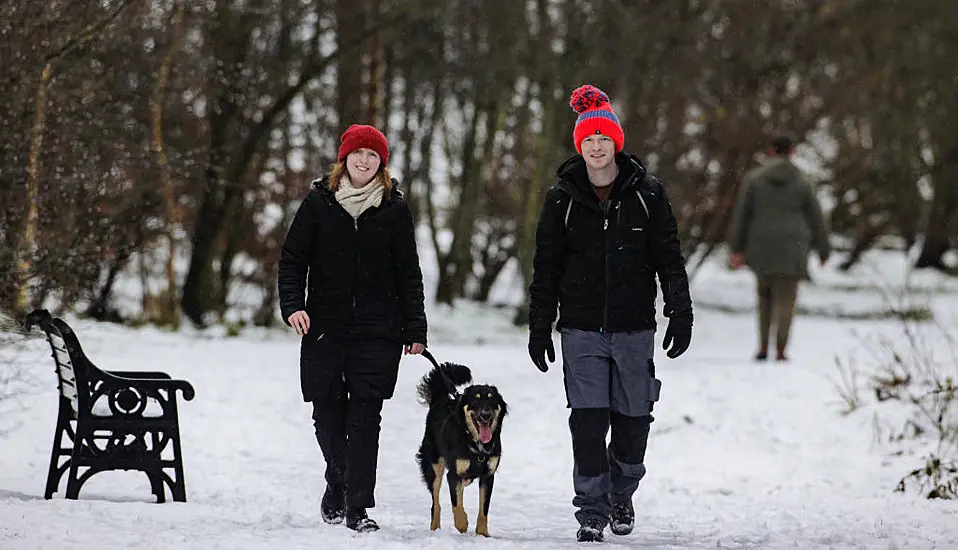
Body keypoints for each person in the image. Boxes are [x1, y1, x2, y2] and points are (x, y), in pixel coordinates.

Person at [527, 84, 693, 543]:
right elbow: (546, 266)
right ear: (578, 146)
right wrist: (539, 326)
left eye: (603, 139)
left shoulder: (647, 194)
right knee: (587, 420)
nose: (596, 148)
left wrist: (680, 311)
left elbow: (668, 256)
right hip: (580, 328)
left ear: (615, 142)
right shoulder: (561, 199)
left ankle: (623, 491)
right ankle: (592, 510)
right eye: (587, 140)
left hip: (634, 326)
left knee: (633, 418)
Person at [278, 124, 427, 532]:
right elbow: (293, 259)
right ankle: (338, 480)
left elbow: (408, 273)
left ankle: (359, 507)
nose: (364, 161)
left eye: (373, 156)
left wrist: (415, 328)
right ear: (343, 159)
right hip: (324, 326)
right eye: (358, 154)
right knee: (326, 413)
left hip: (379, 329)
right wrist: (293, 306)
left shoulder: (394, 209)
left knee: (365, 417)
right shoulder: (318, 203)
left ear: (382, 163)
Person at [727, 135, 830, 362]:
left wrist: (736, 248)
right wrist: (824, 249)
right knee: (786, 299)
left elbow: (742, 215)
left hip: (761, 244)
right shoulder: (803, 181)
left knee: (764, 296)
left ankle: (763, 346)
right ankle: (781, 348)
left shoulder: (754, 179)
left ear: (771, 151)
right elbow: (816, 217)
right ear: (792, 152)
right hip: (793, 246)